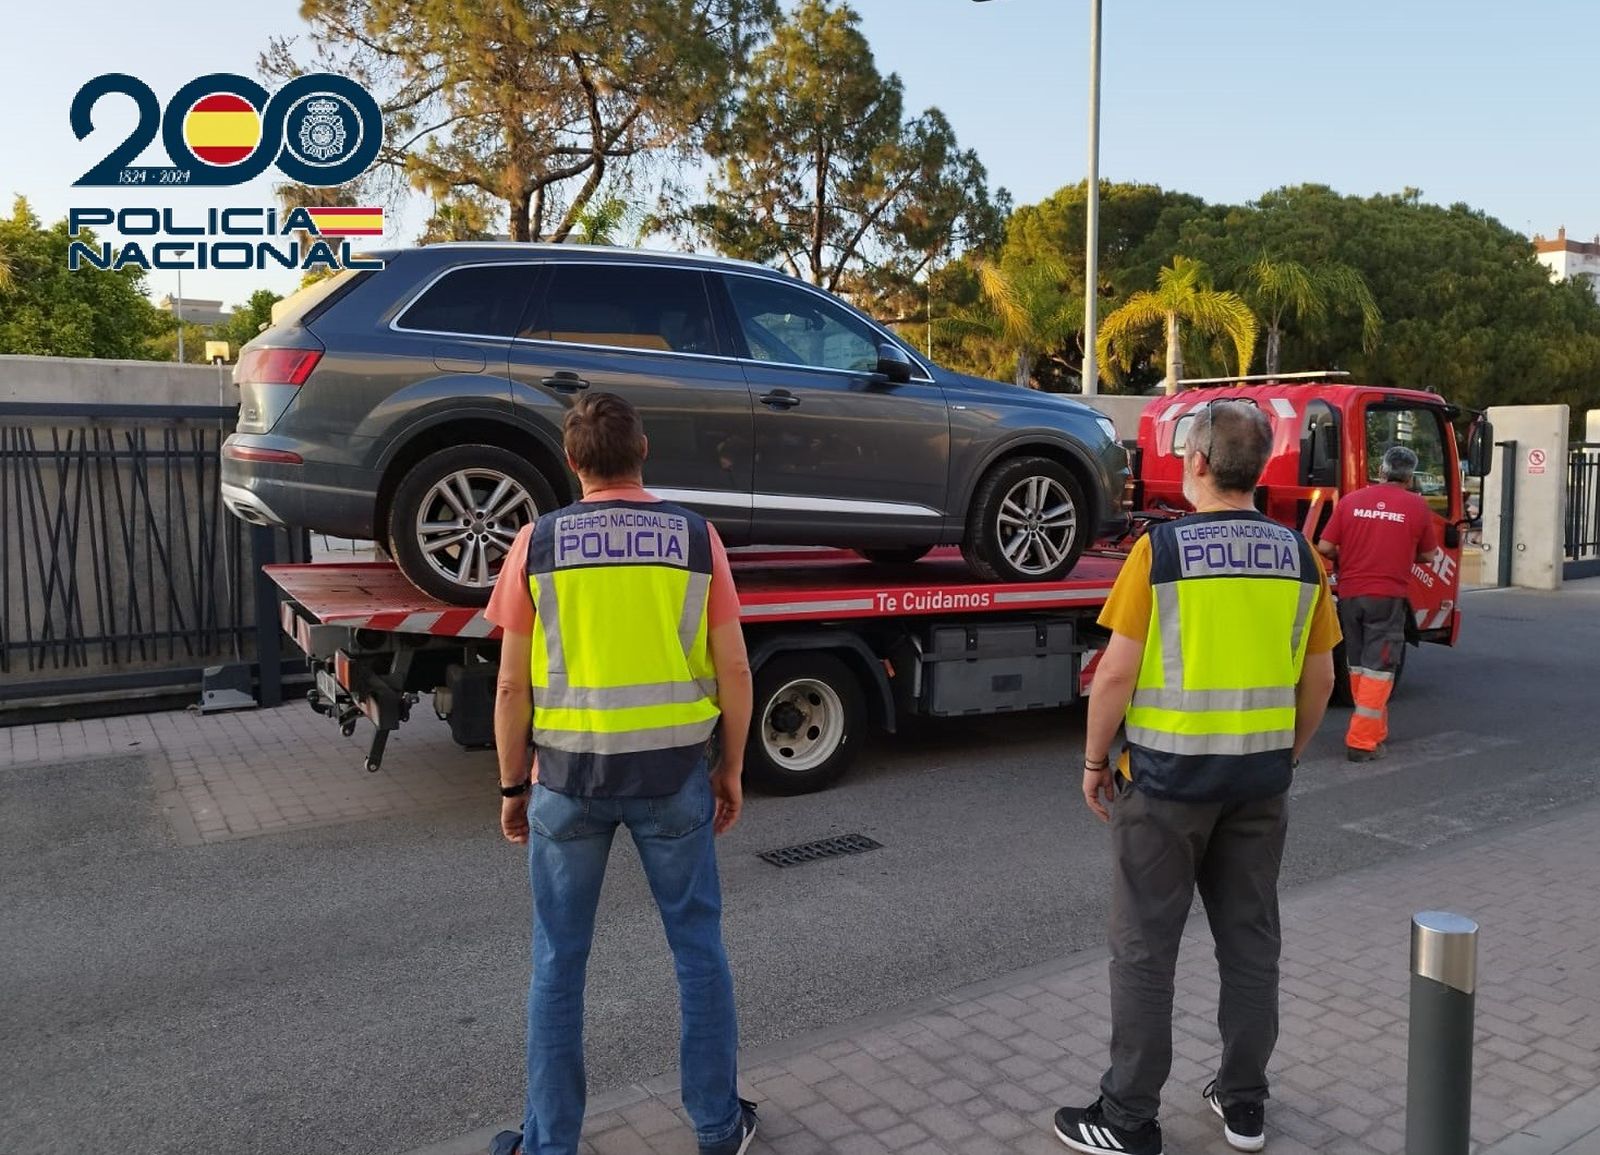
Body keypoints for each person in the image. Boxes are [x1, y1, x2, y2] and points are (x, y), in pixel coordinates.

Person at [1053, 401, 1340, 1155]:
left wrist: (1092, 761)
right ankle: (1244, 1104)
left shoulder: (1164, 551)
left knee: (1146, 948)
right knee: (1250, 944)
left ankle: (1128, 1117)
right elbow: (1320, 676)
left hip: (1165, 785)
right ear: (1261, 467)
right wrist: (1290, 752)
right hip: (1259, 784)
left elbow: (1115, 672)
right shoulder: (1301, 555)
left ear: (1201, 463)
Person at [484, 392, 759, 1155]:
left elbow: (511, 686)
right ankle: (716, 1125)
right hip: (675, 779)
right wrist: (730, 767)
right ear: (644, 453)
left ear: (573, 463)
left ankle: (550, 1144)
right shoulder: (696, 538)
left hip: (567, 784)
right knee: (698, 951)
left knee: (557, 964)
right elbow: (734, 664)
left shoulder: (534, 543)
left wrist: (513, 786)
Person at [1315, 445, 1441, 762]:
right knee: (1380, 669)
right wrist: (1397, 553)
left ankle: (1375, 729)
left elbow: (1326, 545)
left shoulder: (1352, 501)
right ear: (1409, 476)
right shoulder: (1416, 506)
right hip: (1387, 598)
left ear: (1382, 471)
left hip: (1350, 596)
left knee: (1357, 666)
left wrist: (1351, 557)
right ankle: (1362, 740)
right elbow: (1428, 555)